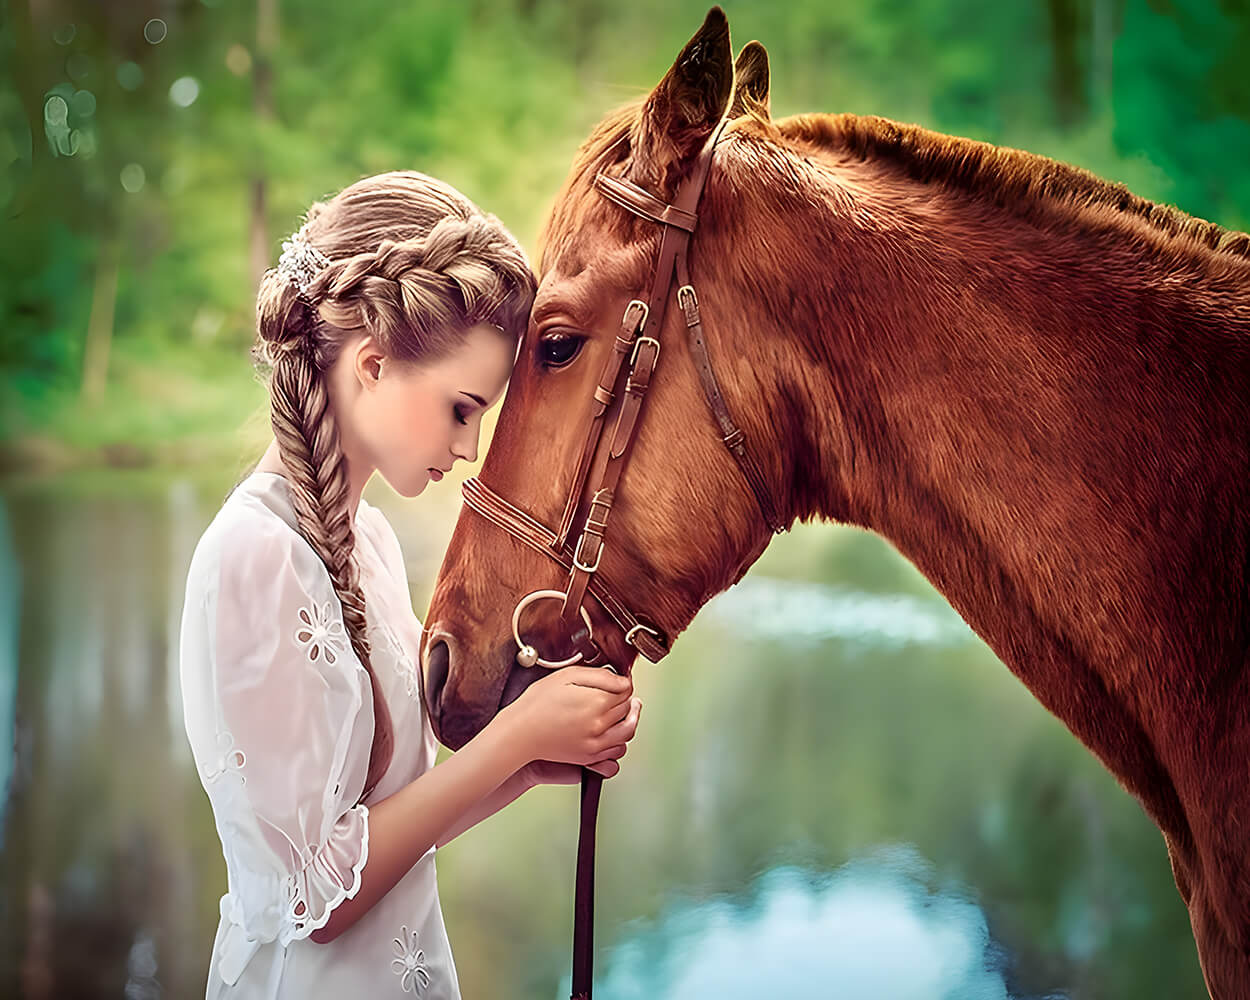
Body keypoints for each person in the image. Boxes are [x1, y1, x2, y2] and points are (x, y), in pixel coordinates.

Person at [178, 171, 642, 999]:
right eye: (462, 409)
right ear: (373, 363)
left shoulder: (373, 545)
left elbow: (389, 833)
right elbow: (318, 898)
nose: (469, 449)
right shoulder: (256, 556)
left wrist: (534, 758)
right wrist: (514, 735)